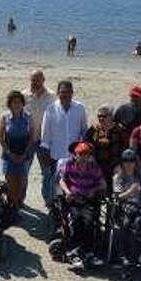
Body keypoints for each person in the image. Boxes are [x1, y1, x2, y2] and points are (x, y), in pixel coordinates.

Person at [38, 80, 88, 210]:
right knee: (56, 187)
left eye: (67, 92)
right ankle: (55, 213)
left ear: (72, 93)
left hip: (75, 158)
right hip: (56, 156)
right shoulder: (50, 109)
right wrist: (45, 154)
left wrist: (82, 153)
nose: (64, 95)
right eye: (61, 92)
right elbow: (45, 135)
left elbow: (84, 131)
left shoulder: (80, 108)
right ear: (57, 93)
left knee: (73, 186)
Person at [58, 141, 106, 269]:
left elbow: (103, 184)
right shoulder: (68, 164)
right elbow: (62, 180)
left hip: (88, 200)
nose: (83, 157)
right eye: (80, 154)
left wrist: (93, 190)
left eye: (86, 154)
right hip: (73, 200)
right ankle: (73, 254)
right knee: (74, 221)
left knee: (88, 221)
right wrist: (67, 192)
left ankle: (88, 253)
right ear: (75, 155)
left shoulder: (94, 167)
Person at [112, 149, 141, 266]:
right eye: (126, 161)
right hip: (124, 207)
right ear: (122, 162)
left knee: (138, 224)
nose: (129, 164)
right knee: (125, 224)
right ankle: (122, 255)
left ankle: (136, 255)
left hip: (140, 207)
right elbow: (118, 196)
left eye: (131, 161)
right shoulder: (118, 177)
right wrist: (130, 192)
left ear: (135, 162)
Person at [0, 90, 35, 209]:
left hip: (23, 155)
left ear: (23, 103)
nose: (17, 104)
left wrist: (25, 153)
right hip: (8, 156)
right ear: (10, 103)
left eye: (19, 102)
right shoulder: (5, 117)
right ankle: (11, 206)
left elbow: (31, 137)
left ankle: (18, 205)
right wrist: (9, 153)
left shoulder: (28, 117)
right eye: (14, 102)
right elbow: (0, 138)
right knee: (10, 183)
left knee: (21, 183)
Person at [84, 104, 127, 189]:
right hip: (98, 164)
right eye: (99, 116)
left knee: (116, 185)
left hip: (115, 165)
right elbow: (86, 144)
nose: (101, 118)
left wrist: (122, 163)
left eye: (104, 116)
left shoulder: (120, 129)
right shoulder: (94, 129)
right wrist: (90, 157)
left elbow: (125, 146)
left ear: (111, 116)